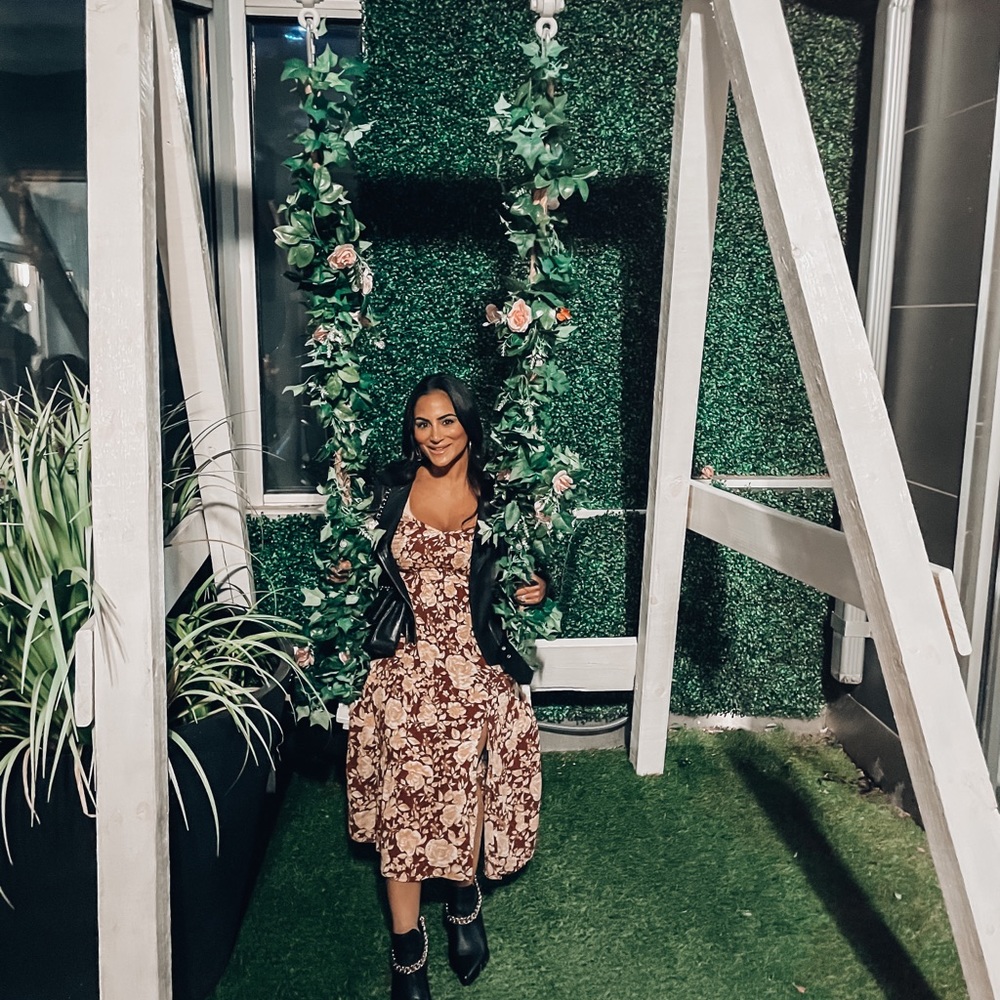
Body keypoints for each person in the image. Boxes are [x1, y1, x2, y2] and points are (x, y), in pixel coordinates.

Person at [345, 372, 544, 1000]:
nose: (435, 435)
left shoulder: (501, 496)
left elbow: (532, 571)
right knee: (406, 788)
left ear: (468, 424)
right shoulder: (388, 492)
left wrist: (538, 587)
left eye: (447, 421)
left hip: (477, 660)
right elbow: (354, 563)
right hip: (407, 658)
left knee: (466, 768)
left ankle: (462, 899)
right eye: (422, 424)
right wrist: (346, 566)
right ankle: (407, 947)